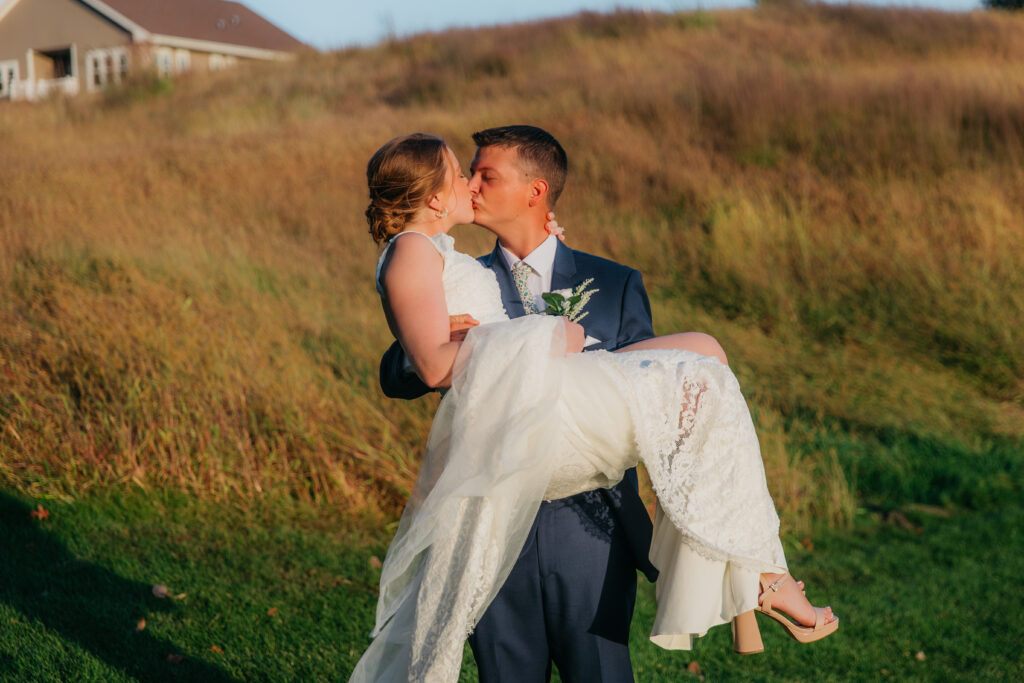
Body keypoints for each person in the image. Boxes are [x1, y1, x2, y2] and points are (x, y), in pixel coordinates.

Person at [350, 128, 837, 683]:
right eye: (466, 173)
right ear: (435, 196)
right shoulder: (453, 264)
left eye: (486, 174)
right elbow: (409, 363)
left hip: (590, 518)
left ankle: (746, 566)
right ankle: (759, 580)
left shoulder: (613, 281)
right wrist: (530, 336)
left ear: (535, 191)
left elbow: (647, 398)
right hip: (499, 491)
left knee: (707, 360)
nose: (471, 184)